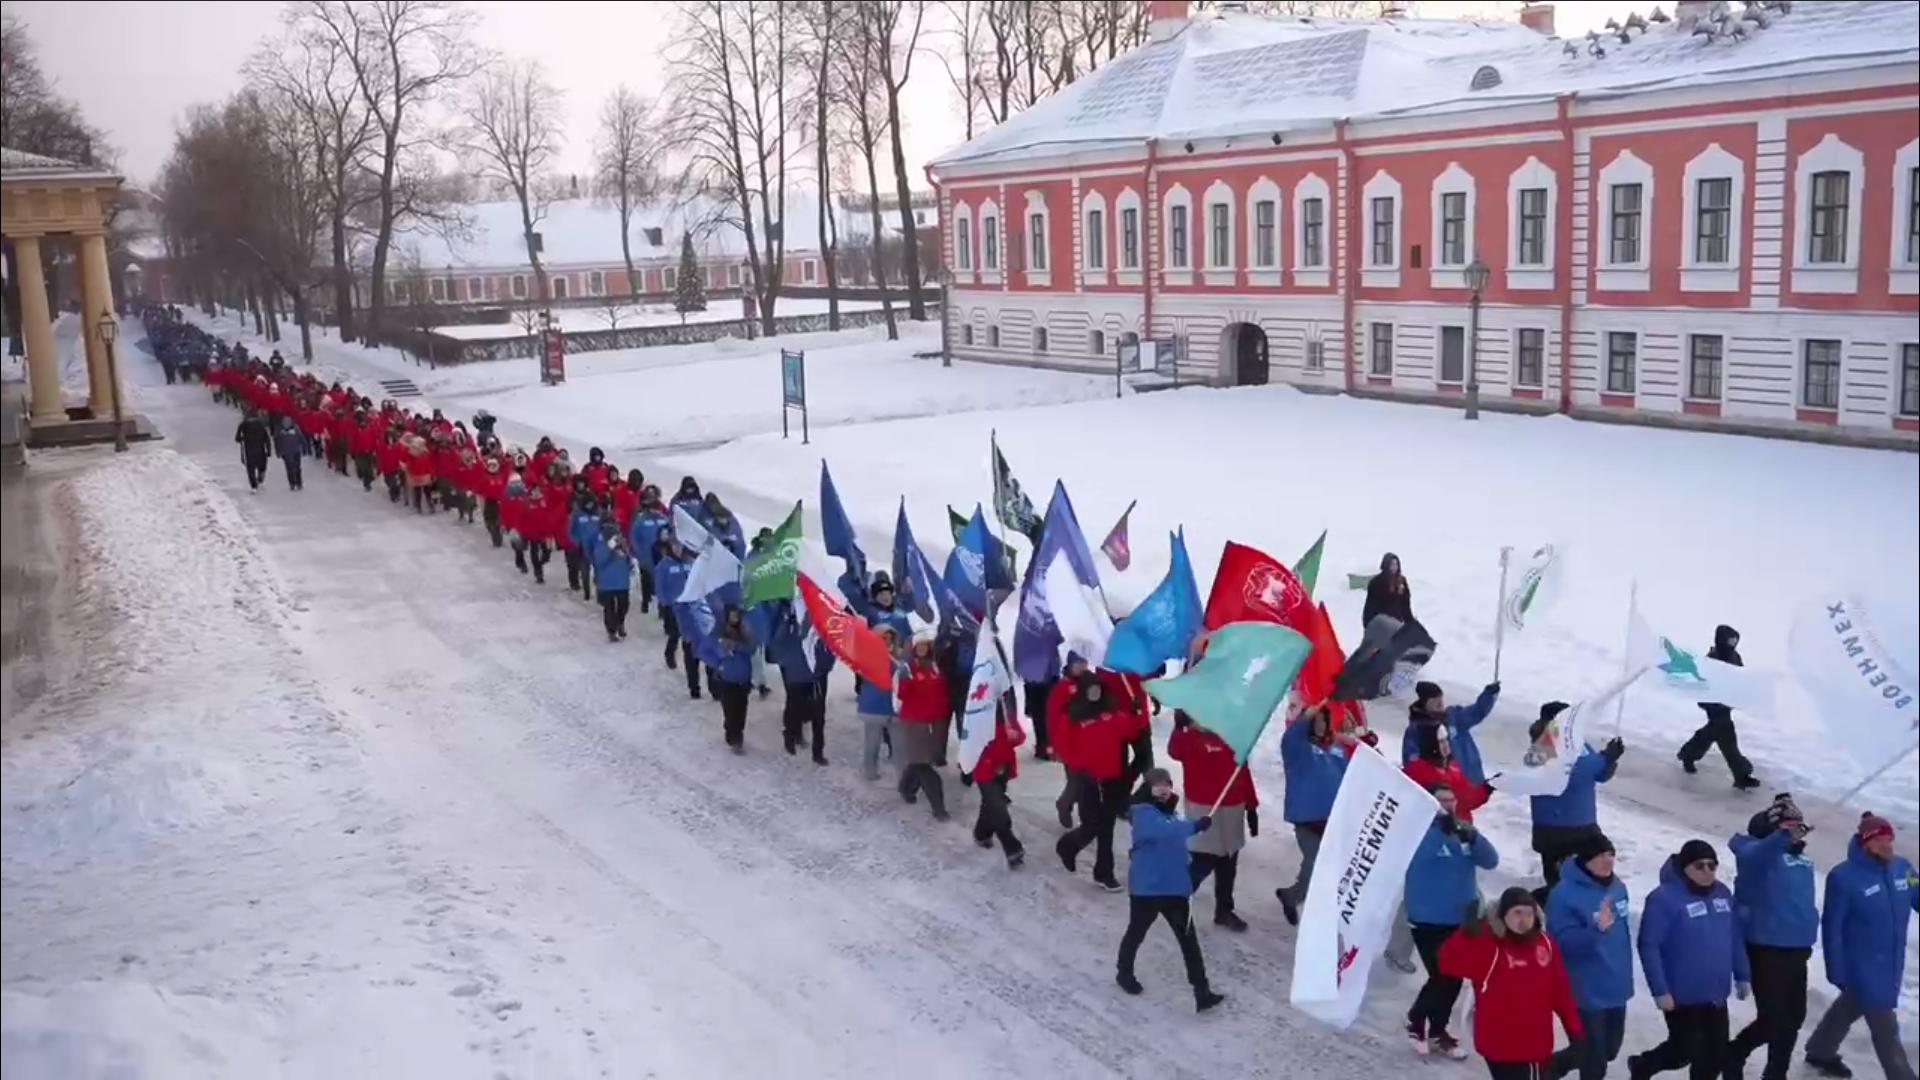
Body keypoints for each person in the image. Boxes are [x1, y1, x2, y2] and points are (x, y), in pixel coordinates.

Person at [1803, 812, 1917, 1080]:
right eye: (1880, 841)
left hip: (1890, 961)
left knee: (1851, 1006)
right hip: (1861, 965)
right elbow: (1832, 926)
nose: (1887, 845)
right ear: (1866, 843)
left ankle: (1820, 1050)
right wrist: (1836, 970)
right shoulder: (1844, 877)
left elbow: (1917, 892)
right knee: (1885, 1028)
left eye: (1890, 839)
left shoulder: (1903, 869)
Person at [1628, 840, 1750, 1080]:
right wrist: (1660, 990)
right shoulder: (1664, 899)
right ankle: (1643, 1065)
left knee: (1713, 1056)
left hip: (1715, 993)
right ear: (1685, 867)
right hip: (1681, 995)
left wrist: (1743, 974)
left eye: (1712, 866)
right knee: (1683, 1051)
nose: (1707, 872)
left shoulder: (1723, 894)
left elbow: (1734, 936)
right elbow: (1649, 945)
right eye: (1699, 866)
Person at [1440, 887, 1584, 1080]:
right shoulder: (1488, 943)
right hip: (1496, 1045)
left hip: (1531, 1046)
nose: (1523, 919)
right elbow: (1448, 964)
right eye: (1517, 913)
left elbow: (1560, 991)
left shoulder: (1545, 944)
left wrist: (1575, 1031)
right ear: (1502, 915)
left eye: (1529, 913)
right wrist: (1465, 935)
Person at [1114, 768, 1224, 1013]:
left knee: (1189, 942)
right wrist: (1196, 826)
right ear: (1147, 787)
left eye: (1167, 783)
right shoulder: (1142, 813)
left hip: (1174, 890)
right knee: (1136, 933)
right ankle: (1124, 972)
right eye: (1157, 783)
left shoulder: (1173, 815)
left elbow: (1175, 838)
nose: (1163, 788)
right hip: (1148, 890)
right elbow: (1163, 832)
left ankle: (1201, 991)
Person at [1725, 795, 1818, 1080]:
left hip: (1798, 947)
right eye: (1788, 827)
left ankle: (1776, 1073)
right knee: (1773, 1018)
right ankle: (1733, 1054)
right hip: (1767, 947)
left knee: (1794, 1017)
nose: (1795, 831)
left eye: (1797, 826)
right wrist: (1780, 832)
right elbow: (1757, 853)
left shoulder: (1800, 858)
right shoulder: (1754, 856)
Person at [1404, 782, 1499, 1060]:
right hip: (1428, 920)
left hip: (1460, 920)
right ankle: (1416, 1020)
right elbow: (1418, 860)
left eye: (1451, 800)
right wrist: (1440, 831)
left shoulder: (1462, 832)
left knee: (1454, 978)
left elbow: (1491, 861)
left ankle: (1437, 1030)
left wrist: (1473, 837)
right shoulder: (1418, 831)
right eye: (1441, 800)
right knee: (1442, 975)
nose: (1447, 805)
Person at [1547, 833, 1634, 1080]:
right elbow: (1561, 944)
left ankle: (1552, 1066)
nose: (1607, 861)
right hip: (1585, 988)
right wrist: (1595, 932)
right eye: (1599, 856)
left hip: (1616, 983)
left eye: (1610, 854)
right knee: (1595, 1060)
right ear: (1585, 860)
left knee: (1608, 1050)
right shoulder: (1564, 895)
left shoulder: (1618, 887)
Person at [1055, 671, 1150, 893]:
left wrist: (1137, 714)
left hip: (1112, 778)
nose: (1095, 692)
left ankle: (1104, 872)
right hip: (1088, 779)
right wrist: (1081, 768)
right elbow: (1064, 747)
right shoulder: (1073, 717)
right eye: (1091, 689)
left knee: (1107, 826)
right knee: (1092, 824)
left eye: (1098, 688)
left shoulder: (1113, 713)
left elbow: (1130, 731)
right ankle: (1069, 845)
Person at [1169, 712, 1257, 931]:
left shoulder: (1231, 739)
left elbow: (1243, 772)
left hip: (1233, 810)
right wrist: (1180, 728)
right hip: (1204, 810)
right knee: (1202, 861)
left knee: (1228, 864)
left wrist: (1251, 806)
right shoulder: (1190, 740)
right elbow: (1175, 750)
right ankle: (1174, 898)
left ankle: (1224, 910)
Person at [1530, 701, 1626, 891]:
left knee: (1591, 877)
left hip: (1584, 826)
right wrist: (1604, 758)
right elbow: (1575, 772)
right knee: (1562, 883)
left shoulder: (1578, 743)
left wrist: (1609, 760)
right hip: (1556, 830)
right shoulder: (1542, 747)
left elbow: (1599, 775)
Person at [1275, 704, 1354, 926]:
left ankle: (1300, 898)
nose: (1321, 725)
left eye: (1324, 720)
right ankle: (1295, 897)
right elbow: (1291, 736)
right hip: (1307, 819)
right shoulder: (1298, 748)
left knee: (1331, 869)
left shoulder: (1337, 749)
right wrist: (1308, 713)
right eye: (1316, 720)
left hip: (1333, 820)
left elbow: (1353, 773)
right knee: (1315, 861)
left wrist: (1358, 739)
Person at [1677, 625, 1760, 790]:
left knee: (1713, 733)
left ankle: (1688, 754)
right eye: (1730, 640)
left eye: (1735, 640)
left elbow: (1740, 677)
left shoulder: (1735, 657)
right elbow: (1703, 682)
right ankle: (1741, 774)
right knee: (1728, 738)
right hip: (1714, 705)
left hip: (1726, 703)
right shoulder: (1712, 658)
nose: (1733, 643)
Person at [1401, 680, 1500, 789]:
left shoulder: (1454, 718)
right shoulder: (1415, 731)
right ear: (1424, 703)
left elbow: (1476, 712)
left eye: (1440, 698)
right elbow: (1412, 766)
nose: (1440, 702)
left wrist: (1489, 695)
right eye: (1434, 699)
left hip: (1474, 783)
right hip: (1448, 793)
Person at [894, 632, 951, 820]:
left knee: (918, 762)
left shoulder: (935, 667)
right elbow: (901, 695)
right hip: (914, 721)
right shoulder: (907, 668)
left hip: (933, 722)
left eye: (925, 646)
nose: (922, 649)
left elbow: (941, 692)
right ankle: (938, 807)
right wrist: (906, 680)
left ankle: (905, 787)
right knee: (924, 765)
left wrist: (942, 717)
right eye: (919, 646)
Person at [768, 600, 834, 765]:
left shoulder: (821, 615)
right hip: (797, 671)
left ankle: (818, 751)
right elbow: (778, 642)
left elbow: (830, 643)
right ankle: (790, 734)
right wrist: (787, 622)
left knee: (819, 714)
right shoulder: (787, 615)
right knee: (795, 706)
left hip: (817, 672)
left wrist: (825, 665)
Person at [969, 686, 1026, 869]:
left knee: (990, 804)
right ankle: (1012, 848)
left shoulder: (1006, 715)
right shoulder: (975, 716)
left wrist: (1015, 736)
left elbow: (1020, 737)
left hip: (1003, 768)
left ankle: (981, 833)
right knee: (998, 809)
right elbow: (971, 743)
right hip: (985, 770)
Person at [1405, 724, 1493, 824]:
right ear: (1431, 744)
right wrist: (1486, 789)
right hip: (1444, 828)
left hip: (1463, 827)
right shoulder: (1418, 769)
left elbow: (1469, 798)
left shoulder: (1453, 766)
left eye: (1446, 739)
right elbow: (1463, 801)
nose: (1446, 745)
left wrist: (1487, 788)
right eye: (1441, 742)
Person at [856, 626, 902, 781]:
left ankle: (903, 779)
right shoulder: (867, 657)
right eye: (882, 637)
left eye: (888, 637)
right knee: (872, 744)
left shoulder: (899, 656)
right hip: (874, 707)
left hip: (894, 707)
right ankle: (870, 771)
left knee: (899, 747)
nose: (886, 640)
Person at [710, 605, 757, 751]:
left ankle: (738, 736)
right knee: (730, 709)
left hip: (743, 678)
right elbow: (714, 653)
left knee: (741, 710)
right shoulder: (720, 632)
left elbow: (752, 649)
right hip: (727, 678)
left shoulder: (746, 631)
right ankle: (732, 734)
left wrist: (736, 646)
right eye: (732, 615)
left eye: (736, 615)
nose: (734, 618)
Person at [591, 519, 633, 642]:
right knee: (609, 609)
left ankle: (620, 623)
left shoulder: (622, 542)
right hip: (606, 583)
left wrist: (630, 562)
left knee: (624, 606)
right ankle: (611, 631)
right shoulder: (600, 543)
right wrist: (610, 548)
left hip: (622, 581)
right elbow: (599, 561)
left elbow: (628, 557)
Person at [1364, 551, 1414, 627]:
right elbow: (1371, 605)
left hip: (1398, 623)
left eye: (1396, 564)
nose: (1394, 567)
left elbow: (1405, 605)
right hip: (1382, 624)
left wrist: (1410, 622)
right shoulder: (1377, 582)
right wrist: (1369, 623)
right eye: (1392, 564)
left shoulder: (1401, 581)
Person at [235, 410, 272, 491]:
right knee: (262, 466)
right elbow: (267, 438)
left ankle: (253, 486)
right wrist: (269, 450)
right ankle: (260, 480)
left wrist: (243, 438)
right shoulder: (260, 424)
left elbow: (237, 438)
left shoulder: (243, 425)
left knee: (250, 468)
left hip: (249, 449)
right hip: (261, 449)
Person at [272, 415, 305, 491]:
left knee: (296, 468)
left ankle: (298, 483)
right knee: (290, 468)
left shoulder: (296, 429)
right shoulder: (280, 431)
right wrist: (278, 451)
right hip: (286, 453)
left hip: (296, 451)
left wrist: (304, 448)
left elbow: (301, 438)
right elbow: (276, 442)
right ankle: (293, 483)